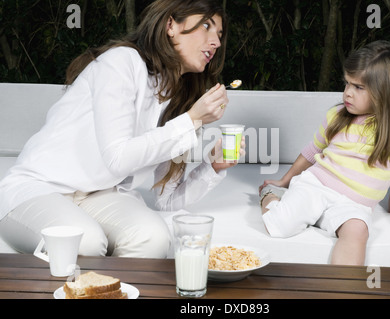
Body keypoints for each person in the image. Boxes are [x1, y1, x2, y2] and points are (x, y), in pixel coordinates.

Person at [0, 0, 243, 258]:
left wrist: (212, 167)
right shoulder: (121, 62)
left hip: (101, 195)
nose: (216, 42)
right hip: (41, 187)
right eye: (206, 26)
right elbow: (117, 158)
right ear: (171, 25)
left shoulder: (181, 101)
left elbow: (167, 199)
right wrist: (192, 120)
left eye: (219, 34)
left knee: (154, 237)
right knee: (84, 242)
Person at [259, 40, 390, 265]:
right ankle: (268, 195)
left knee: (357, 233)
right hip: (316, 185)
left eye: (358, 87)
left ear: (387, 90)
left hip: (355, 205)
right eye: (347, 83)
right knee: (278, 227)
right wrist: (284, 181)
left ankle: (342, 290)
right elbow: (313, 149)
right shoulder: (338, 116)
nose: (347, 93)